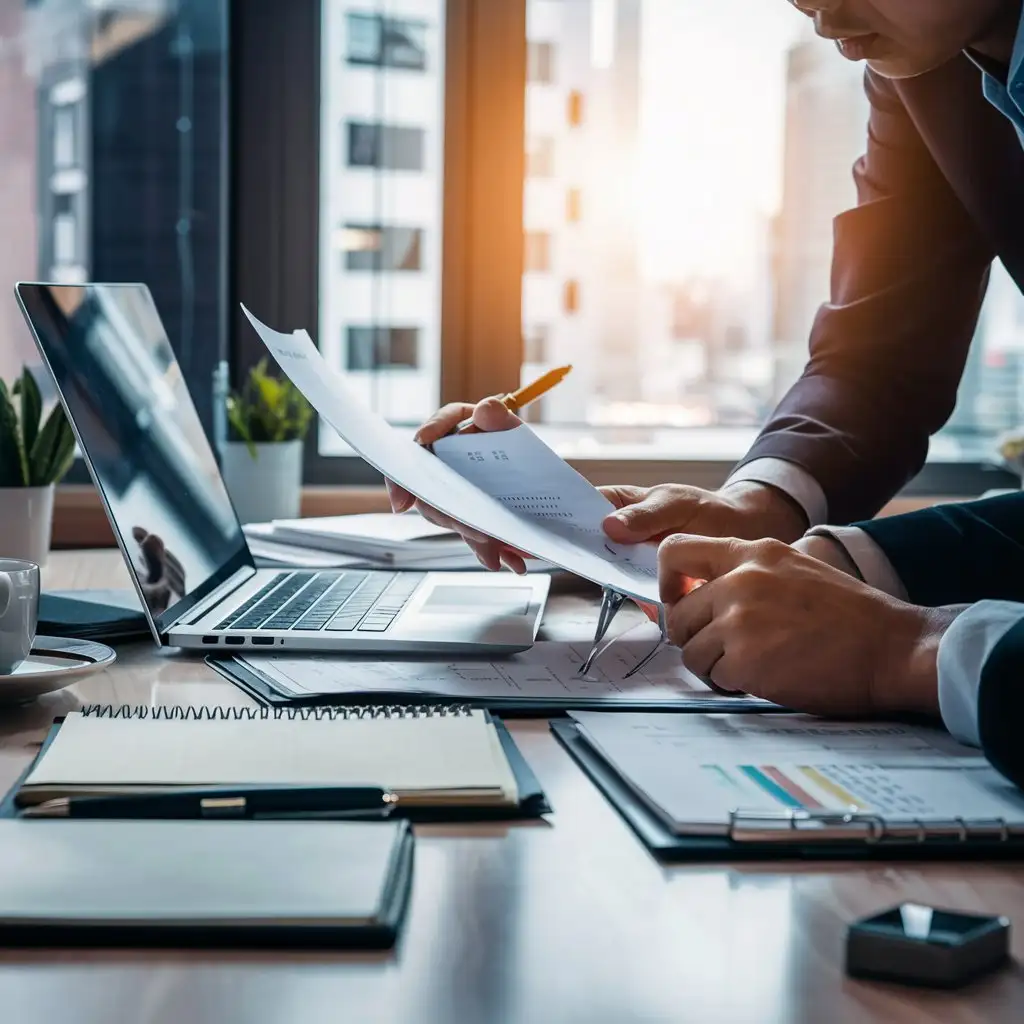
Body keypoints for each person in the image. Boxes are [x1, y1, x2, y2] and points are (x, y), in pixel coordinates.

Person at [387, 1, 1024, 786]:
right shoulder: (929, 68)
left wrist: (914, 652)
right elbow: (878, 357)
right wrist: (761, 522)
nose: (815, 8)